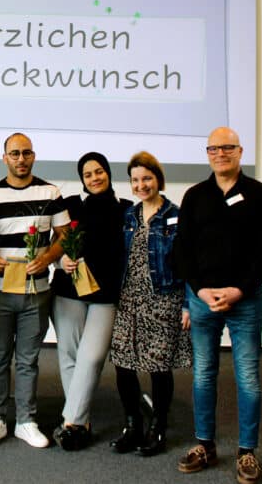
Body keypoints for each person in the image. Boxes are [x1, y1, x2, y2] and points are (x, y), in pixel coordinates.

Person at [176, 127, 262, 484]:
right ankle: (204, 445)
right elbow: (183, 252)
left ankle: (247, 451)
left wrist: (238, 290)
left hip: (245, 300)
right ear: (207, 154)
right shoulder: (194, 196)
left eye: (227, 147)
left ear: (240, 151)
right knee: (204, 374)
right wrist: (201, 291)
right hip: (202, 300)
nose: (220, 153)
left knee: (248, 377)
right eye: (214, 148)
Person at [0, 132, 69, 449]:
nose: (20, 159)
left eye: (26, 153)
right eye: (14, 153)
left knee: (28, 360)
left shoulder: (51, 192)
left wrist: (47, 258)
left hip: (36, 293)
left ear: (33, 156)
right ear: (5, 158)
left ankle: (26, 421)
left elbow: (65, 236)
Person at [109, 151, 191, 457]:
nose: (141, 185)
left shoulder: (176, 215)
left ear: (158, 179)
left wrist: (188, 305)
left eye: (147, 178)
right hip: (128, 299)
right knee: (123, 364)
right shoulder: (128, 216)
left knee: (158, 366)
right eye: (135, 180)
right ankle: (133, 425)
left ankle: (158, 428)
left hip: (163, 300)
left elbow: (188, 263)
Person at [50, 152, 132, 451]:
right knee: (69, 355)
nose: (95, 178)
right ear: (82, 179)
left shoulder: (126, 209)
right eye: (88, 174)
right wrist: (60, 261)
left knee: (93, 357)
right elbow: (54, 245)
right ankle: (79, 425)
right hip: (67, 291)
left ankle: (70, 419)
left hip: (106, 296)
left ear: (108, 173)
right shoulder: (71, 205)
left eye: (99, 172)